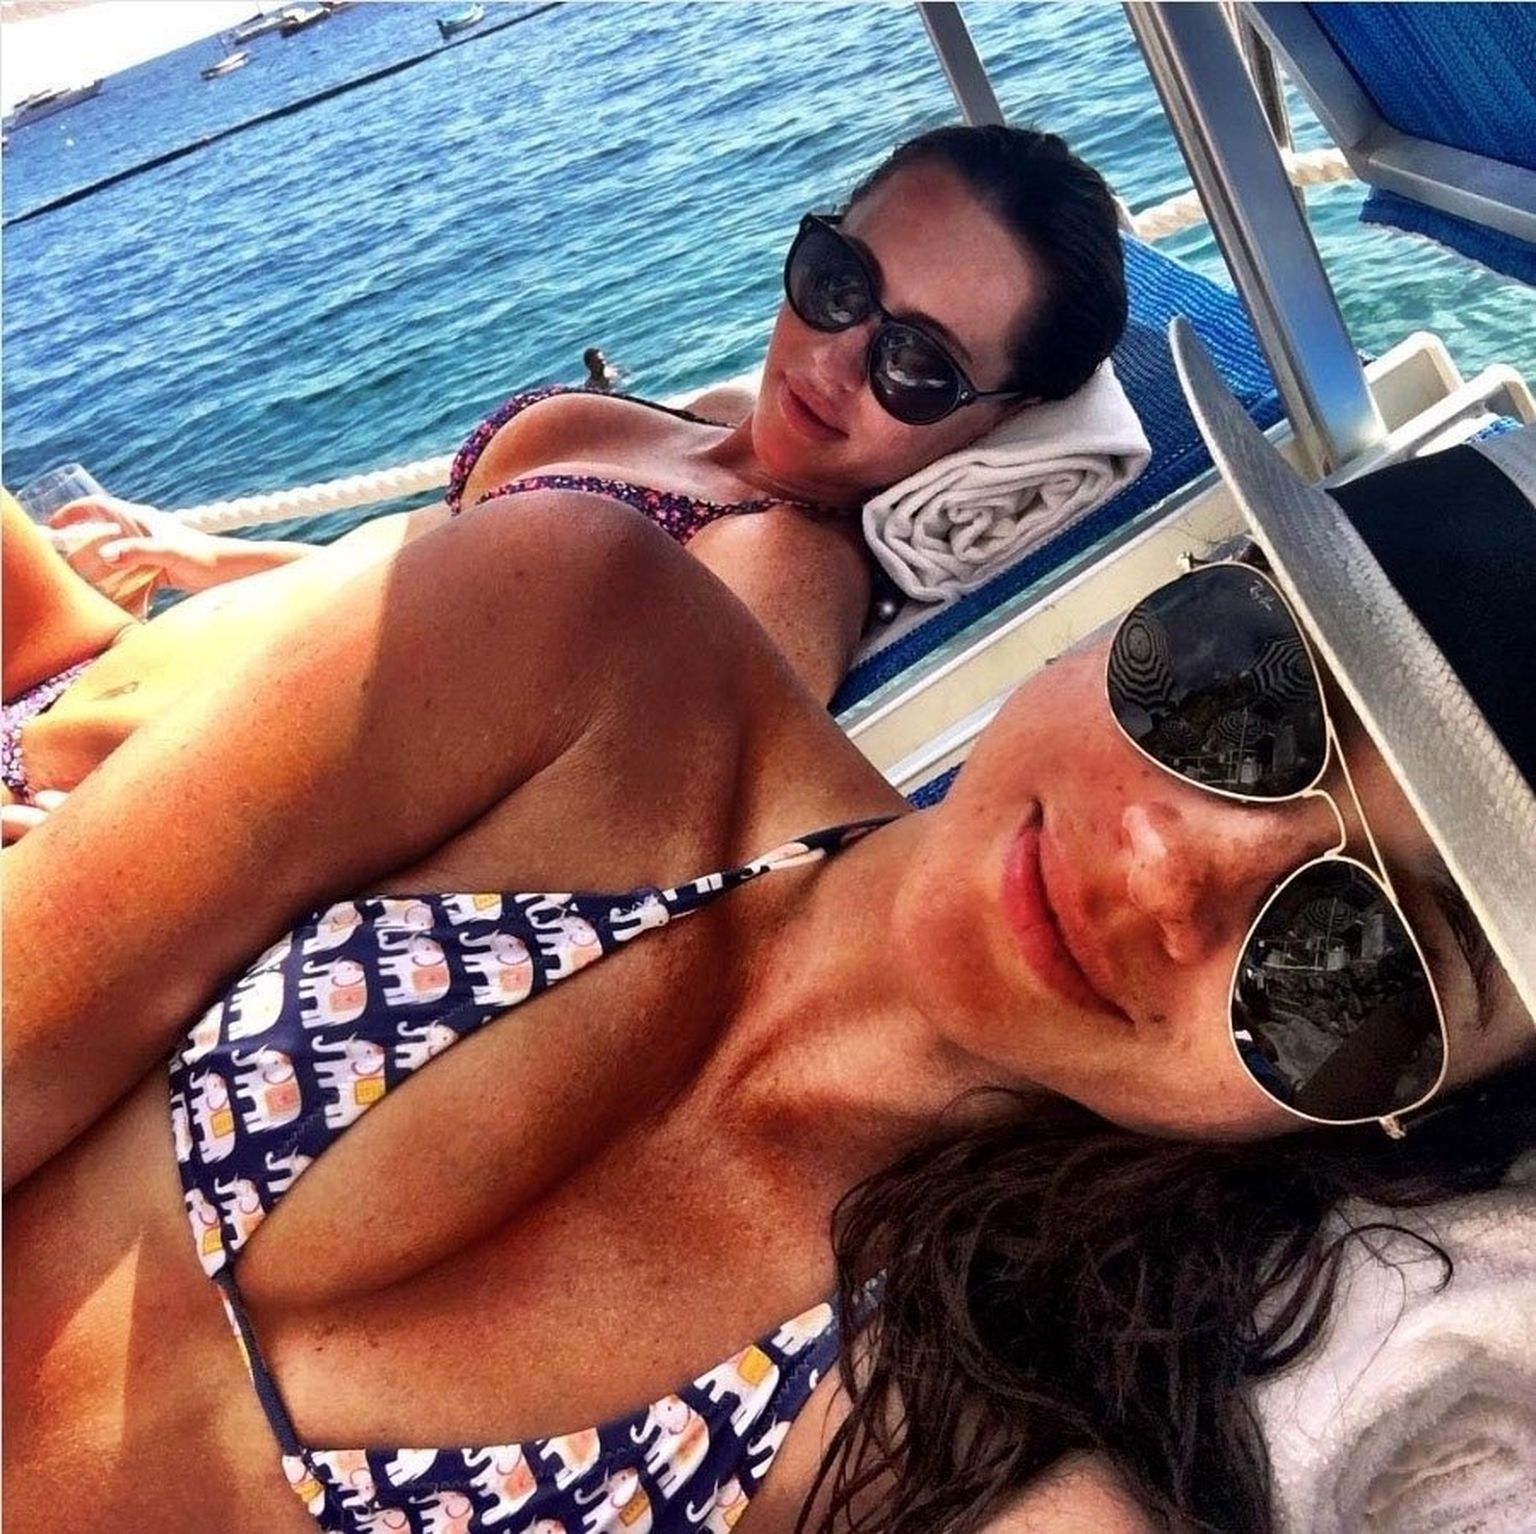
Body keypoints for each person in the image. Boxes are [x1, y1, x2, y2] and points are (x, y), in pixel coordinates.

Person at [5, 318, 1533, 1533]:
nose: (1169, 875)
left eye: (1375, 952)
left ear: (1405, 1110)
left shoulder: (977, 1435)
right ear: (1161, 602)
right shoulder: (573, 640)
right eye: (1244, 692)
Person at [0, 123, 1129, 824]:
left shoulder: (781, 567)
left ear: (998, 422)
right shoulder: (717, 423)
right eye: (840, 283)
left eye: (918, 366)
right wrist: (208, 556)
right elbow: (425, 585)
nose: (836, 358)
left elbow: (543, 850)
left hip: (82, 804)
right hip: (90, 666)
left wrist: (121, 858)